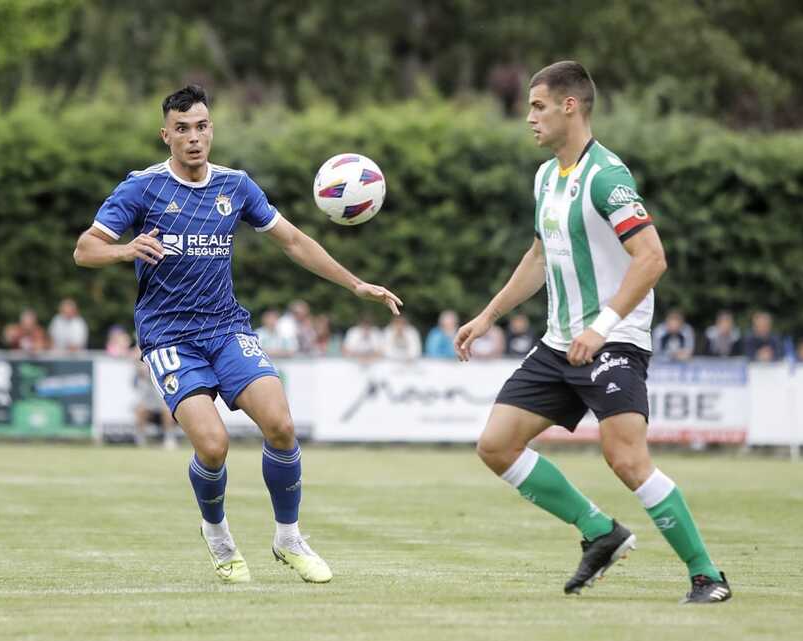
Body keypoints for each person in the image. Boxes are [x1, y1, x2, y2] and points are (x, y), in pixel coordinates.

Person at [73, 85, 401, 584]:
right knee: (213, 445)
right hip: (168, 337)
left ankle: (288, 538)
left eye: (201, 126)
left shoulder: (236, 187)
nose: (193, 137)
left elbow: (292, 240)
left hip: (226, 328)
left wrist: (355, 283)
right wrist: (124, 250)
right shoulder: (141, 189)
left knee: (282, 425)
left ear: (211, 130)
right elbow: (84, 249)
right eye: (181, 129)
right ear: (166, 135)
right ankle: (218, 534)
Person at [454, 61, 730, 604]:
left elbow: (651, 259)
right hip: (560, 343)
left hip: (615, 341)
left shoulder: (606, 176)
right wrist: (487, 316)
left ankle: (707, 576)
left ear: (570, 106)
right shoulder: (544, 177)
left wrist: (603, 329)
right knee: (496, 445)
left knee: (626, 459)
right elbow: (538, 256)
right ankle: (601, 532)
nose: (529, 117)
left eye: (538, 106)